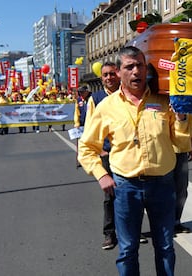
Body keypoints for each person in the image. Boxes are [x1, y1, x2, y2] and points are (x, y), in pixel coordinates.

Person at [78, 46, 190, 276]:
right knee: (128, 249)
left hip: (162, 184)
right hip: (126, 188)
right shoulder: (106, 107)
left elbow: (182, 143)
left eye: (140, 65)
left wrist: (180, 117)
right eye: (129, 66)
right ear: (119, 72)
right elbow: (87, 147)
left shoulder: (164, 100)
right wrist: (102, 175)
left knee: (166, 246)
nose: (136, 71)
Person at [83, 61, 124, 249]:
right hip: (107, 153)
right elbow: (90, 127)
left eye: (112, 74)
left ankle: (132, 230)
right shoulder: (96, 98)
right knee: (109, 196)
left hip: (125, 153)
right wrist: (100, 150)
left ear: (118, 74)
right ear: (101, 78)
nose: (109, 78)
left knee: (130, 195)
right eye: (105, 75)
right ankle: (109, 233)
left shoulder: (128, 94)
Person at [173, 115, 192, 234]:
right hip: (165, 150)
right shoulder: (161, 98)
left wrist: (191, 146)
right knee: (161, 191)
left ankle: (176, 221)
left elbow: (190, 125)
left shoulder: (185, 98)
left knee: (181, 189)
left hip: (182, 150)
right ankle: (163, 223)